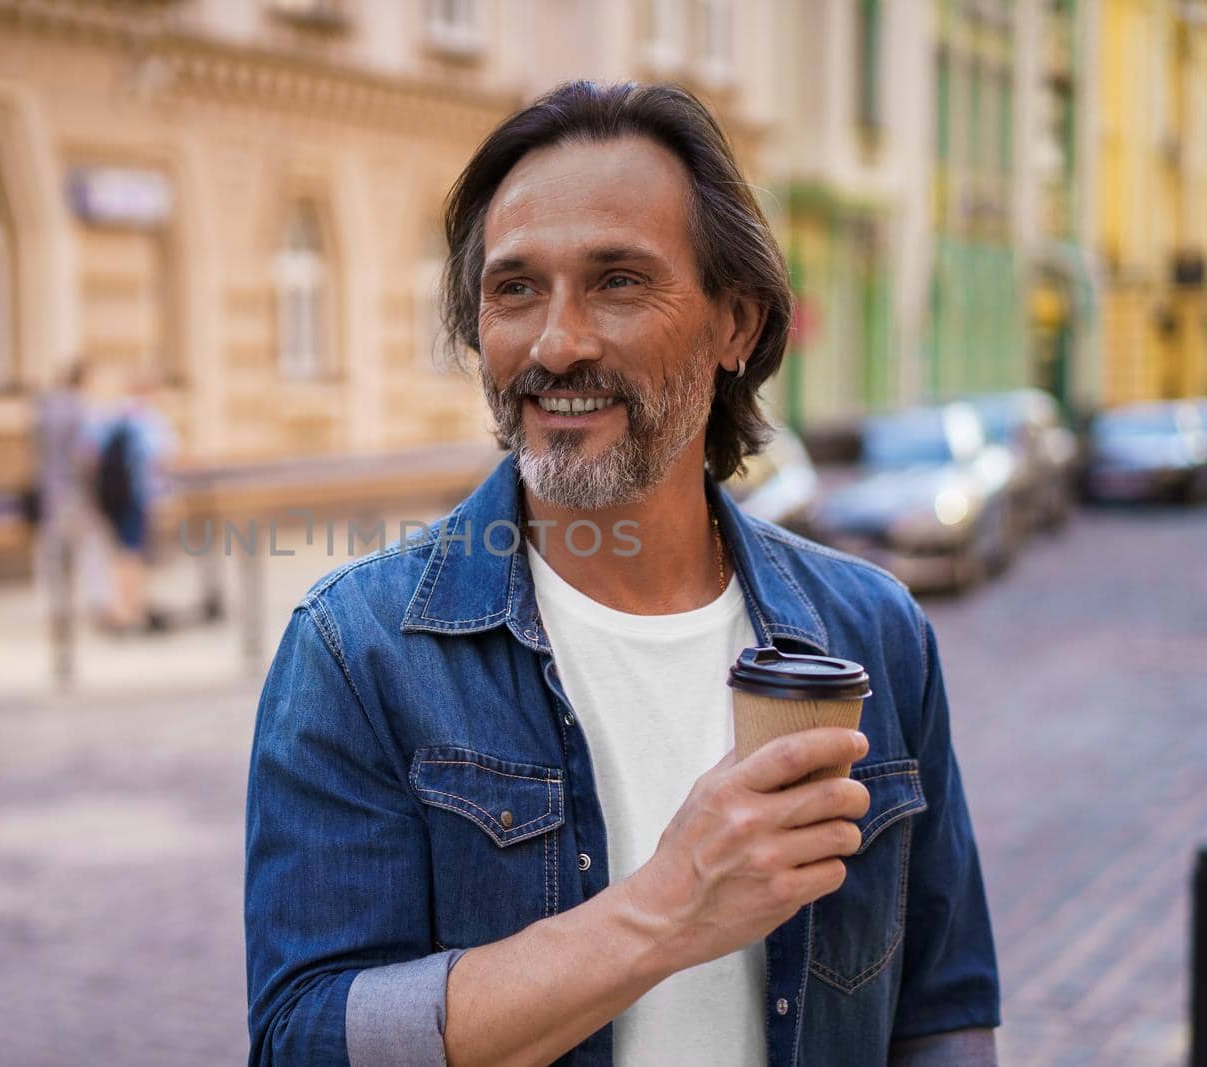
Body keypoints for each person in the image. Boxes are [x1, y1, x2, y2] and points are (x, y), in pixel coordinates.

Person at [244, 82, 999, 1066]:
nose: (557, 344)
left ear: (737, 324)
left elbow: (940, 1013)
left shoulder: (871, 635)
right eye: (515, 288)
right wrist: (666, 907)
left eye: (617, 281)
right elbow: (308, 1040)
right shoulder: (361, 650)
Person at [88, 372, 177, 633]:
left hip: (111, 497)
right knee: (132, 554)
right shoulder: (147, 418)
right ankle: (130, 611)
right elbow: (162, 453)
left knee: (119, 552)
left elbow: (90, 448)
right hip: (137, 495)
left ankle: (120, 608)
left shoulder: (112, 414)